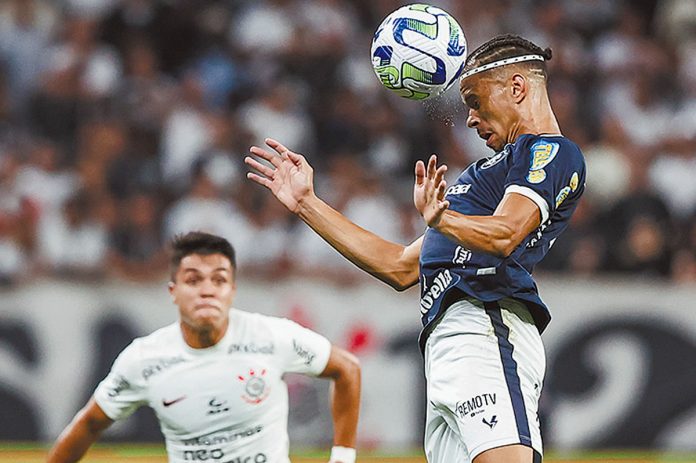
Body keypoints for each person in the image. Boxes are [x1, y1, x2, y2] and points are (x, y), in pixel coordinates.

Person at [245, 34, 586, 463]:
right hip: (445, 344)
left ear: (517, 88)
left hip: (487, 323)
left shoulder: (551, 152)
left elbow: (505, 234)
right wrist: (307, 204)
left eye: (476, 102)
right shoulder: (483, 176)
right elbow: (401, 267)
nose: (470, 119)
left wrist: (443, 219)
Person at [46, 231, 361, 463]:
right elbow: (89, 423)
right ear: (173, 291)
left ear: (232, 290)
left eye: (219, 280)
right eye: (194, 280)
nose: (207, 290)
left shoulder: (270, 336)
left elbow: (347, 369)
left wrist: (342, 458)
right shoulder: (145, 359)